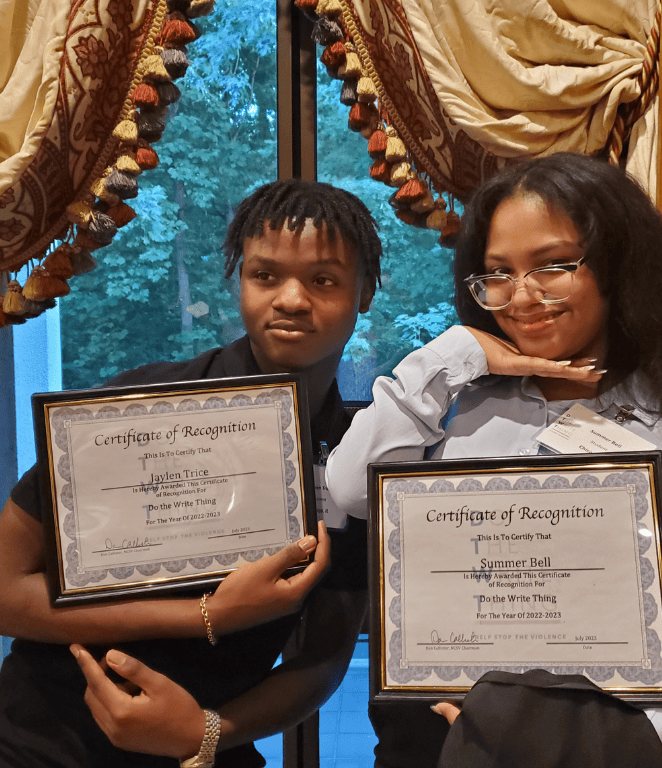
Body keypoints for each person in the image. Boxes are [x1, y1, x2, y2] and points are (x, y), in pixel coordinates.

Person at [324, 153, 662, 768]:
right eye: (497, 272)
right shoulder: (454, 406)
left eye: (553, 265)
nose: (521, 296)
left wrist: (611, 750)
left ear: (616, 266)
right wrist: (450, 354)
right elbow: (349, 489)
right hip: (430, 740)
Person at [0, 178, 382, 767]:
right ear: (239, 285)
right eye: (265, 276)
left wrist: (205, 732)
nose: (291, 299)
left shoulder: (356, 458)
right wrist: (207, 616)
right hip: (46, 738)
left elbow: (323, 660)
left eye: (324, 280)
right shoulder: (141, 405)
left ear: (366, 292)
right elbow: (3, 589)